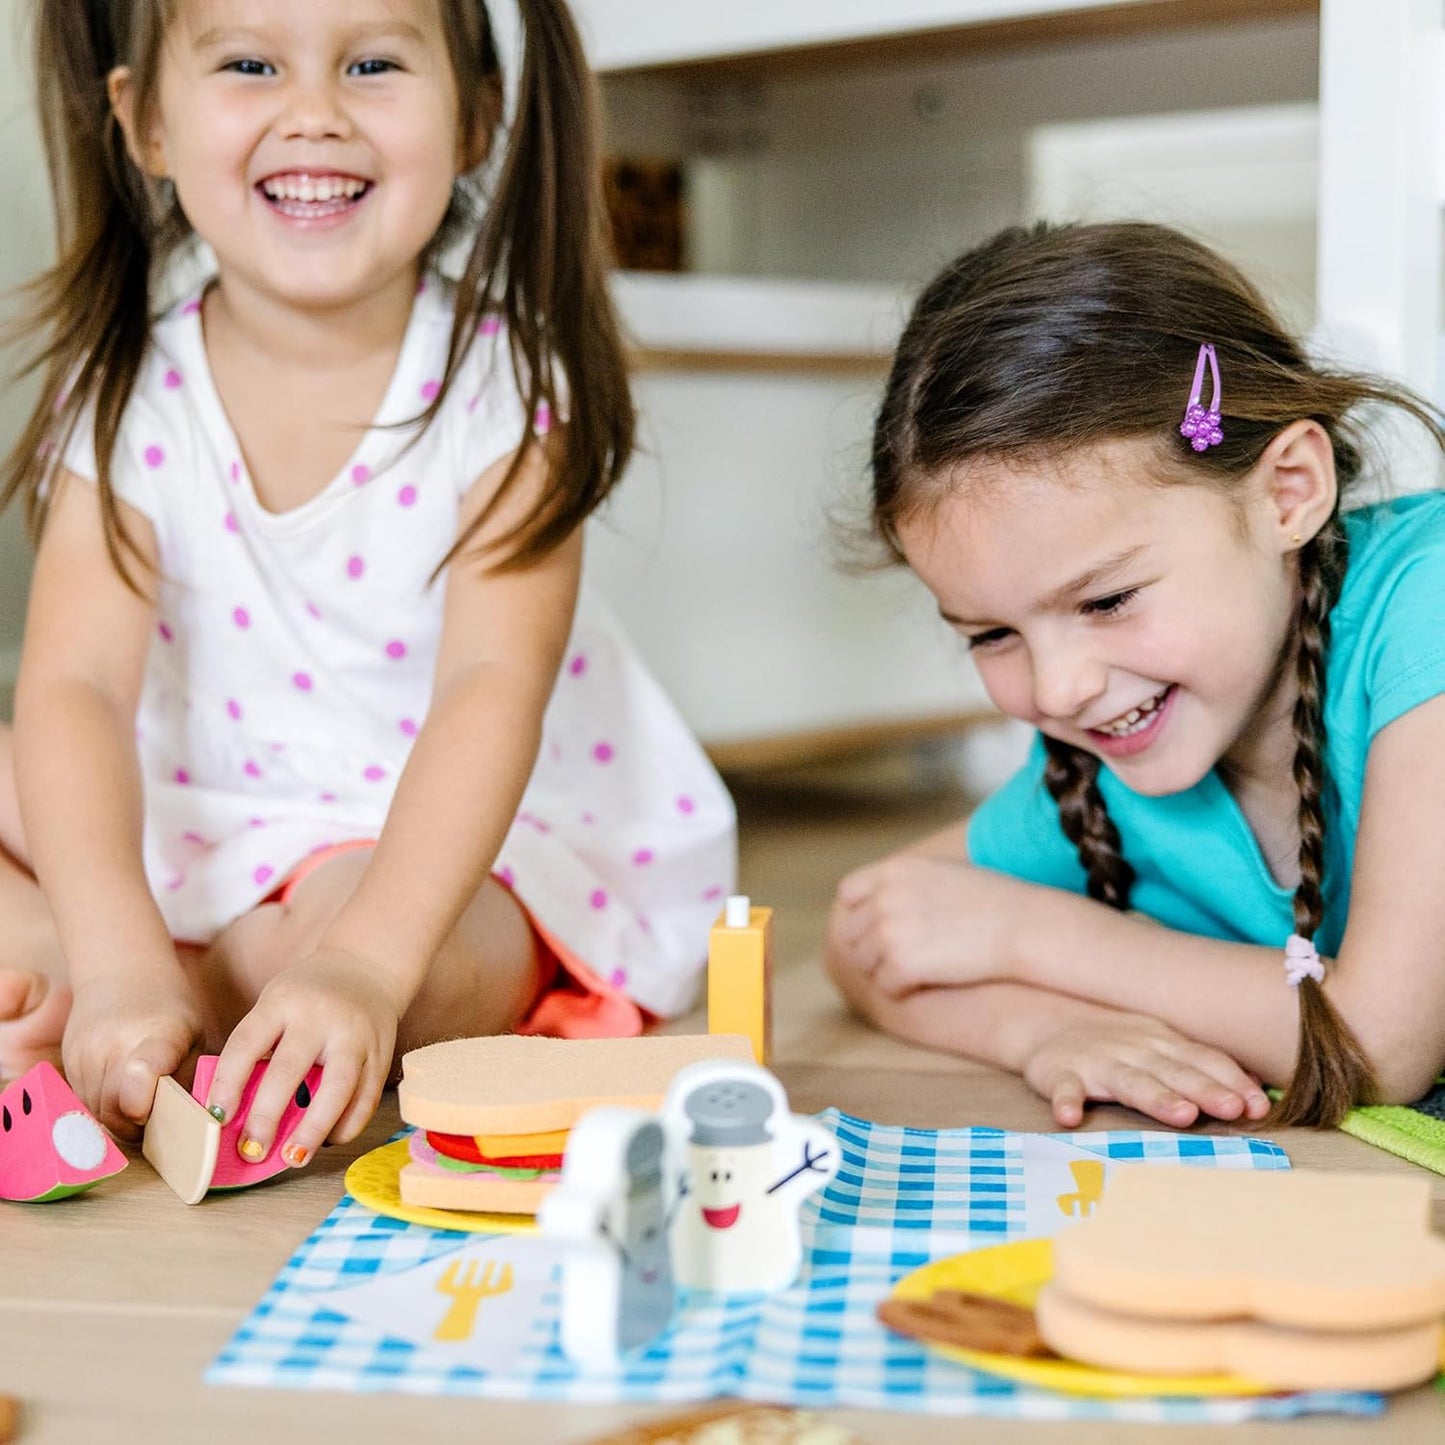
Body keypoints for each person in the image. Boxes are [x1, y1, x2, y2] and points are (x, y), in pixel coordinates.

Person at [0, 0, 734, 1164]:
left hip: (431, 839)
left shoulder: (504, 381)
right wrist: (115, 947)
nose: (314, 115)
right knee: (48, 799)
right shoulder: (127, 385)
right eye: (249, 62)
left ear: (478, 116)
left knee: (370, 968)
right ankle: (119, 978)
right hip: (201, 799)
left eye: (373, 64)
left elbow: (493, 686)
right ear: (143, 122)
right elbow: (76, 689)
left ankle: (150, 1001)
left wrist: (361, 966)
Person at [825, 220, 1445, 1130]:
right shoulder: (1109, 766)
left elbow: (1381, 1040)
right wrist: (1041, 1030)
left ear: (1287, 491)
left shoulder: (1423, 603)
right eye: (992, 632)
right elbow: (864, 933)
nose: (1059, 689)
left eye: (1106, 600)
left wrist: (1029, 934)